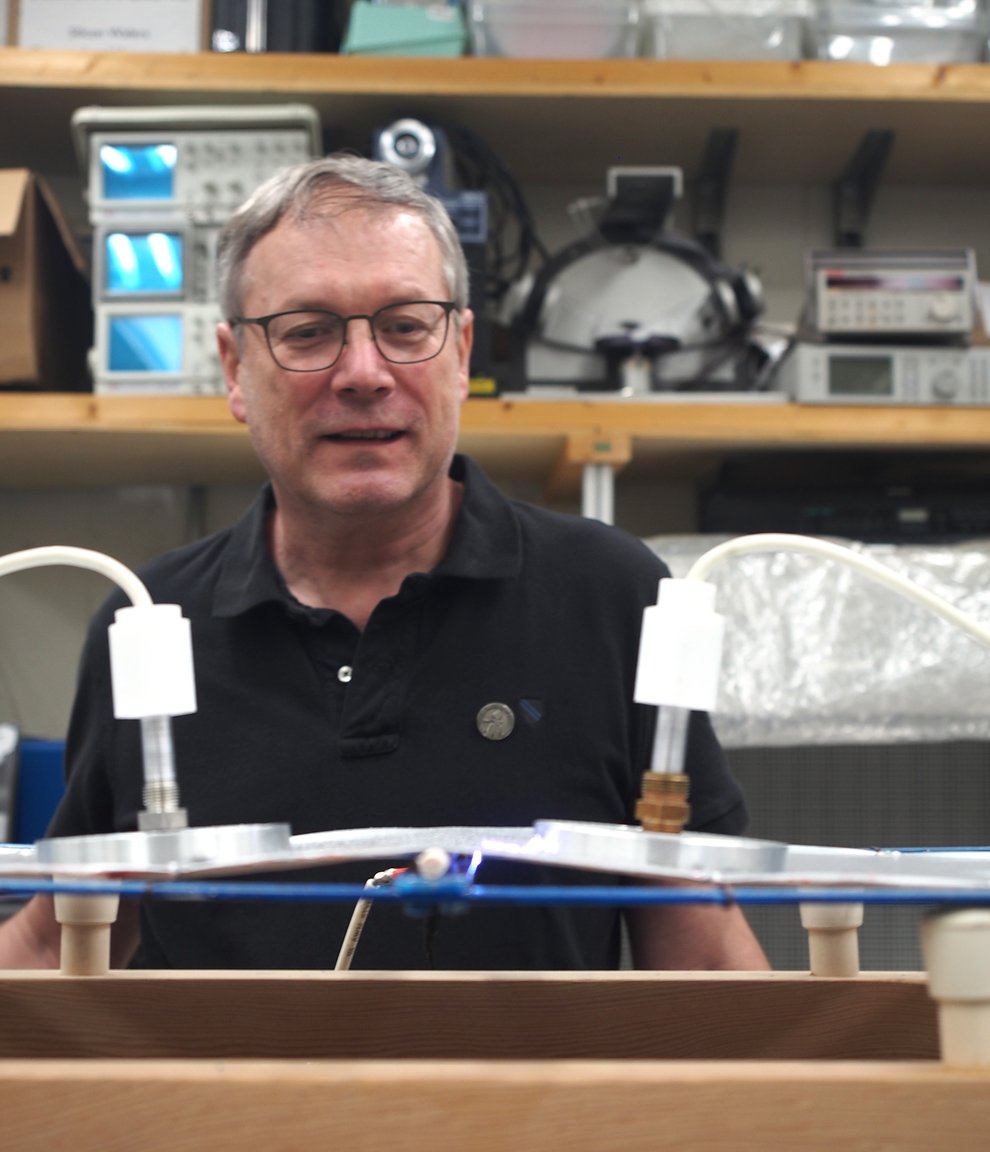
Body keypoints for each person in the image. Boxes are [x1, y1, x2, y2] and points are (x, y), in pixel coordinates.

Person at [0, 154, 768, 972]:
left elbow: (703, 955)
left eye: (405, 326)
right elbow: (61, 939)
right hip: (230, 1105)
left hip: (535, 1106)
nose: (363, 374)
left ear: (462, 350)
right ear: (234, 370)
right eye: (308, 333)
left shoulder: (613, 596)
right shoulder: (148, 624)